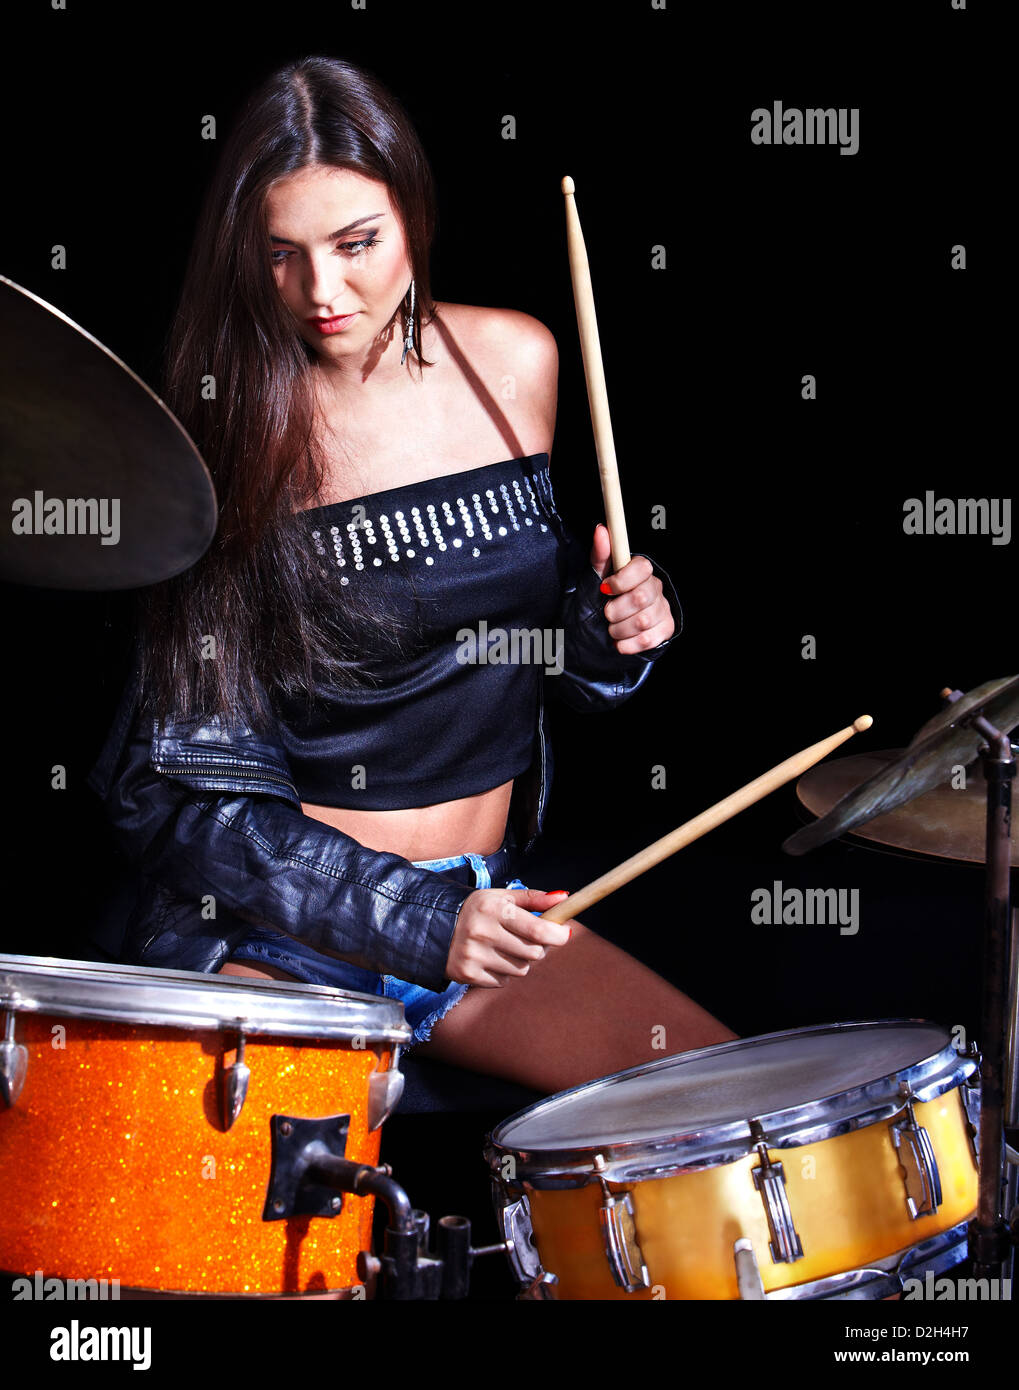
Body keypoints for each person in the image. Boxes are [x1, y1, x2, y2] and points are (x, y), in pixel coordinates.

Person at [89, 55, 736, 1096]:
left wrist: (605, 628)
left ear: (414, 215)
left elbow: (510, 643)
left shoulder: (515, 360)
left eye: (356, 245)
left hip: (490, 918)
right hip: (288, 935)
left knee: (732, 1113)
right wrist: (420, 921)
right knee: (286, 1255)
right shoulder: (217, 441)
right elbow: (173, 799)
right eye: (281, 256)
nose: (322, 291)